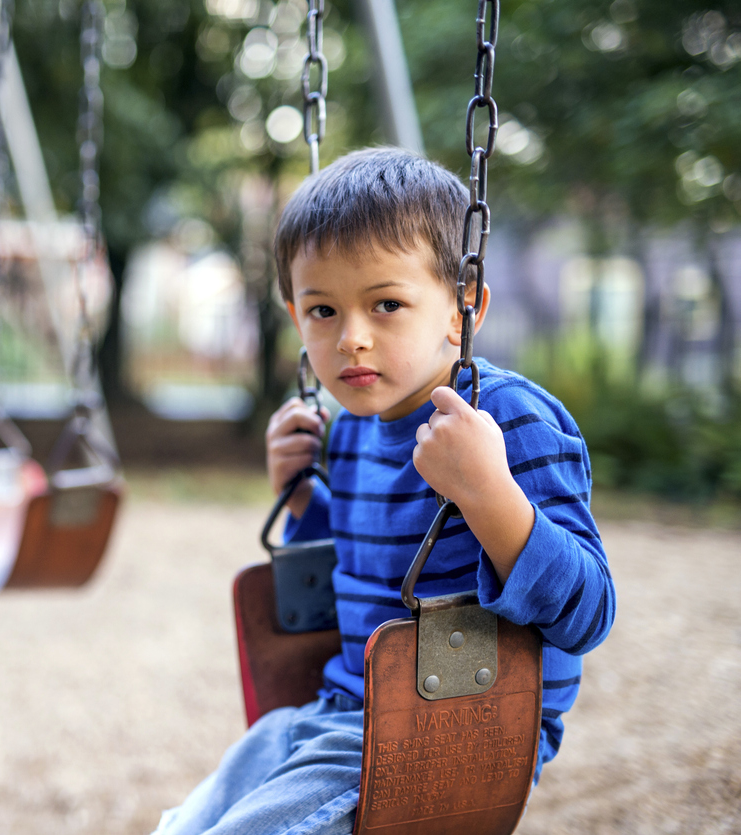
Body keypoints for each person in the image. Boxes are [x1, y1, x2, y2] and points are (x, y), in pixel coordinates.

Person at [152, 147, 616, 835]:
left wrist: (487, 491)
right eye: (322, 310)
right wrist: (303, 497)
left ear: (463, 308)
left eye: (386, 304)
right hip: (340, 711)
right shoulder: (348, 432)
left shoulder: (508, 421)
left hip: (463, 723)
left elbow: (588, 614)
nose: (351, 339)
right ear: (294, 314)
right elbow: (358, 570)